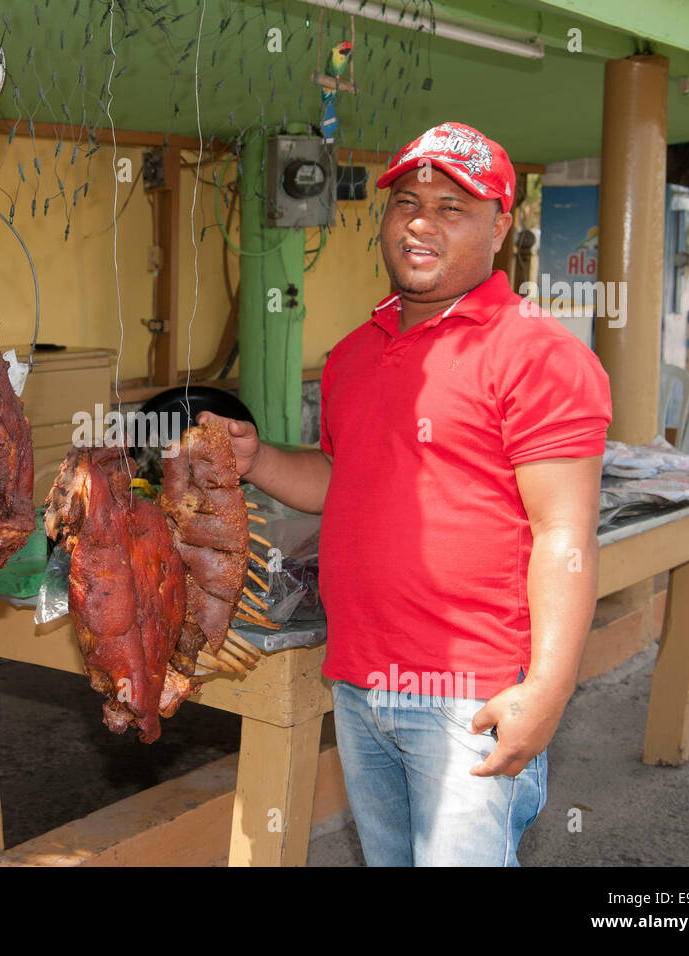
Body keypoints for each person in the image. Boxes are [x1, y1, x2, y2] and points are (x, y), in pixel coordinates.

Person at [201, 121, 613, 866]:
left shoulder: (539, 354)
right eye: (407, 202)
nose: (421, 223)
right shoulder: (356, 354)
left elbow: (566, 536)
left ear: (502, 226)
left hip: (472, 691)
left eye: (453, 207)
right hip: (361, 679)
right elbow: (341, 480)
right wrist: (256, 459)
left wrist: (548, 688)